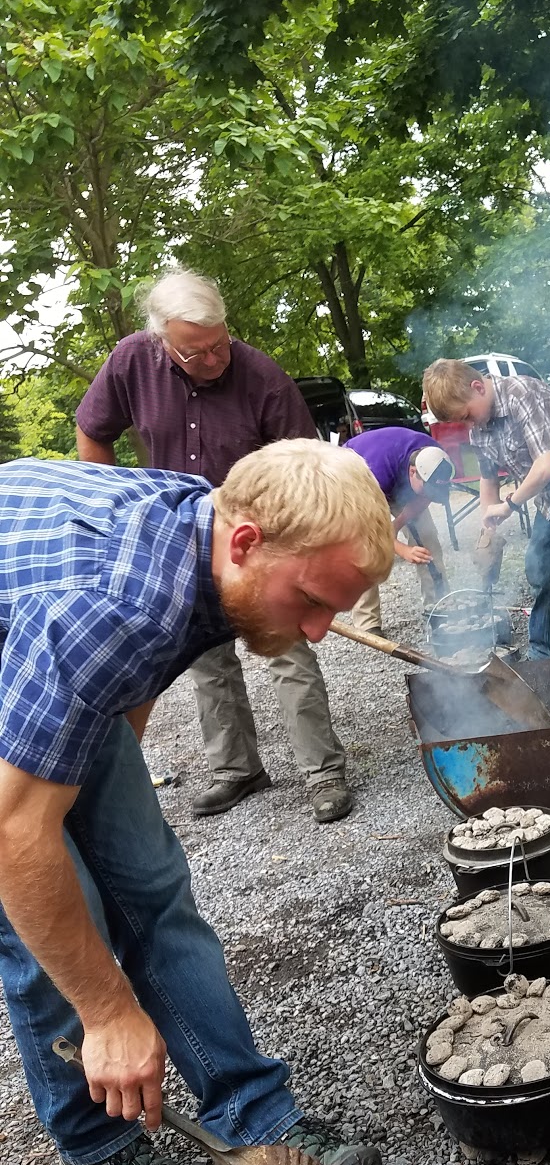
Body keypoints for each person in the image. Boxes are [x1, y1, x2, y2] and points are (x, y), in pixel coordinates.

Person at [0, 441, 395, 1165]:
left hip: (44, 633)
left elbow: (130, 684)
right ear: (246, 543)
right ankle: (94, 1143)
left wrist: (99, 803)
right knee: (46, 923)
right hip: (34, 627)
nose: (319, 632)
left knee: (148, 884)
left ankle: (249, 1110)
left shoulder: (206, 532)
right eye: (313, 599)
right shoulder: (112, 607)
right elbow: (13, 833)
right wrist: (109, 1013)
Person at [75, 271, 354, 824]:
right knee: (206, 658)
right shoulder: (133, 360)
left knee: (287, 653)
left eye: (219, 343)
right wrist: (115, 508)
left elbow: (309, 468)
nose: (213, 359)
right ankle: (236, 769)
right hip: (184, 542)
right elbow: (92, 430)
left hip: (263, 543)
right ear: (162, 341)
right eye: (194, 352)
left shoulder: (263, 378)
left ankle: (323, 771)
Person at [422, 359, 550, 668]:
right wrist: (488, 530)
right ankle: (542, 656)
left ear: (478, 387)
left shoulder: (523, 394)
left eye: (468, 416)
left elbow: (546, 467)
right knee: (538, 572)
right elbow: (488, 479)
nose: (470, 425)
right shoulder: (479, 425)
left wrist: (509, 505)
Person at [341, 429, 455, 635]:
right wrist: (402, 549)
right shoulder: (376, 474)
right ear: (413, 472)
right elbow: (369, 529)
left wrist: (398, 523)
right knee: (365, 550)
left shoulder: (436, 459)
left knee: (427, 537)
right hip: (357, 477)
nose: (431, 493)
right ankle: (368, 624)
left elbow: (425, 496)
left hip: (396, 475)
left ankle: (438, 607)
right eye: (427, 487)